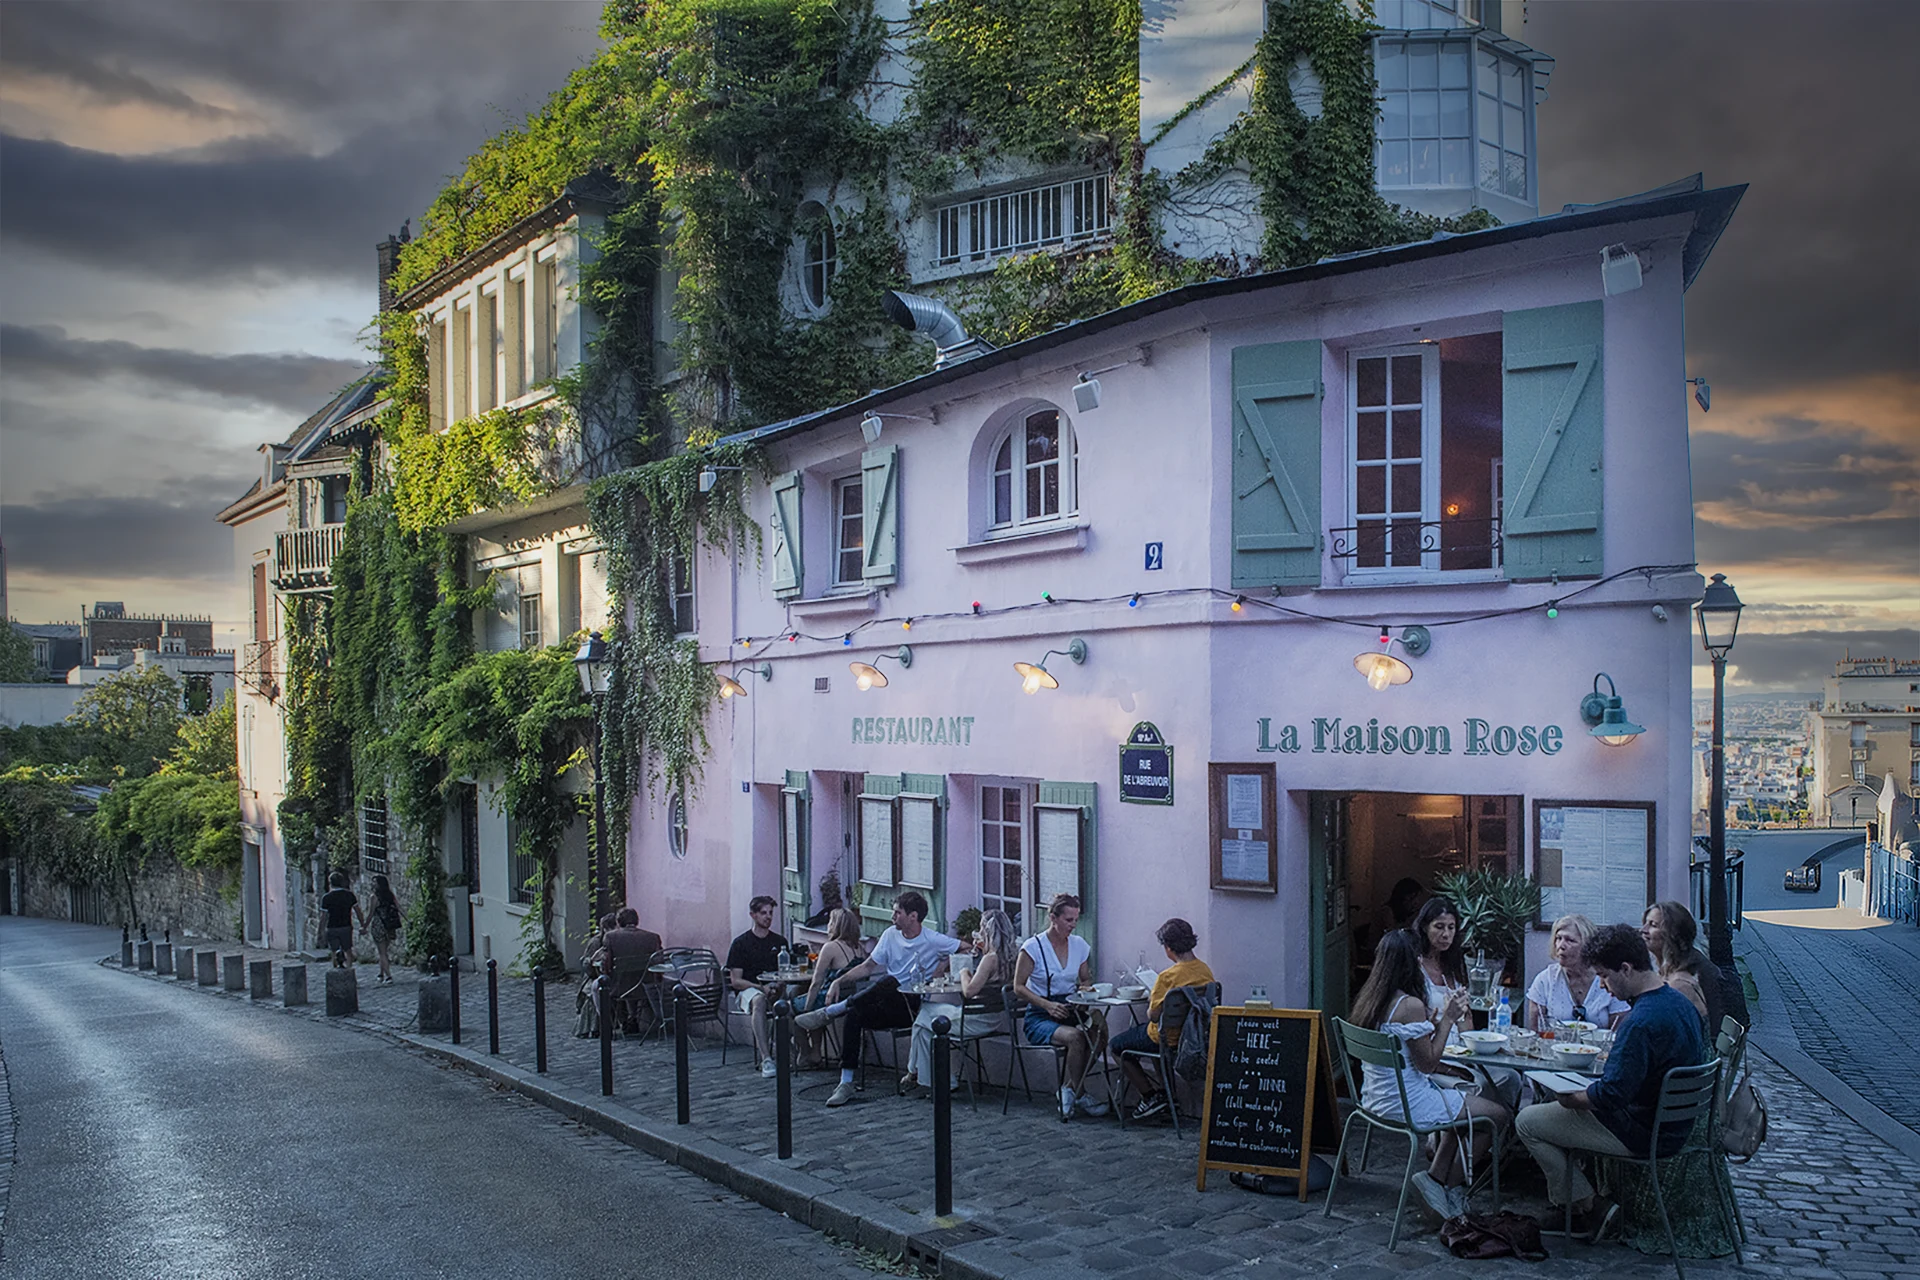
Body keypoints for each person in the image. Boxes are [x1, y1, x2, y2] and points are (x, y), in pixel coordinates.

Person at [1515, 923, 1706, 1241]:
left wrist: (1572, 1098)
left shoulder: (1640, 1022)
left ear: (1626, 969)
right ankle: (1583, 1201)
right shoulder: (1678, 1002)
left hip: (1643, 1132)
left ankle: (1586, 1207)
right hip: (1674, 1124)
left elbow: (1612, 1094)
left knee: (1527, 1122)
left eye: (1604, 976)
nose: (1602, 986)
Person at [1349, 929, 1510, 1221]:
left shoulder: (1370, 999)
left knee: (1461, 1106)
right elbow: (1428, 1064)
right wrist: (1448, 1019)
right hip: (1407, 1102)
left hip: (1374, 1098)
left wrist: (1431, 1027)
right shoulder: (1410, 1005)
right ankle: (1450, 1186)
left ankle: (1434, 1179)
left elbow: (1409, 1048)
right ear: (1412, 963)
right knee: (1496, 1117)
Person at [794, 890, 960, 1108]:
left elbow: (966, 947)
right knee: (855, 1013)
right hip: (886, 1003)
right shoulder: (890, 935)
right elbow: (867, 967)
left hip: (910, 1007)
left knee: (890, 981)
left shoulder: (932, 939)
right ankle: (845, 1082)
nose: (892, 917)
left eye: (897, 913)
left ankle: (833, 1011)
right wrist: (838, 981)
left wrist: (942, 965)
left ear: (913, 916)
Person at [1013, 893, 1110, 1120]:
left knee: (1099, 1033)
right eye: (1068, 920)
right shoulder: (1033, 947)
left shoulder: (1079, 945)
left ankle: (1069, 1089)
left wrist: (1084, 990)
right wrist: (1046, 1005)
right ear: (1053, 918)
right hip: (1040, 1015)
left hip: (1070, 1009)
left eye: (1076, 919)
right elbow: (1018, 986)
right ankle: (1081, 1093)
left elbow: (1085, 978)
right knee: (1076, 1038)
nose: (1073, 925)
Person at [901, 907, 1016, 1096]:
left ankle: (917, 1073)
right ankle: (935, 1078)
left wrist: (964, 972)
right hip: (995, 1017)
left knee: (924, 1011)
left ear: (988, 931)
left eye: (981, 928)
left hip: (975, 1021)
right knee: (923, 1029)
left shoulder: (990, 959)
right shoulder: (1012, 956)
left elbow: (969, 991)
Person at [1111, 917, 1214, 1121]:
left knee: (1116, 1046)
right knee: (1154, 1043)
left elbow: (1154, 1016)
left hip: (1166, 1038)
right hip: (1192, 1037)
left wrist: (1154, 998)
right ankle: (1169, 1096)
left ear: (1168, 948)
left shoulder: (1167, 977)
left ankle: (1150, 1096)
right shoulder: (1205, 971)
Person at [1526, 914, 1628, 1032]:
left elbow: (1619, 1031)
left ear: (1587, 946)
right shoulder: (1545, 980)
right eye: (1558, 938)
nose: (1561, 946)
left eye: (1570, 940)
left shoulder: (1608, 979)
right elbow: (1536, 1031)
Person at [725, 896, 790, 1078]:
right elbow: (736, 981)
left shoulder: (780, 942)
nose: (768, 917)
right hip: (749, 990)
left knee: (796, 997)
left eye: (770, 913)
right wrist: (761, 988)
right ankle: (766, 1058)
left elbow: (786, 972)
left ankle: (799, 1052)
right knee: (759, 1000)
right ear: (753, 915)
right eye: (763, 913)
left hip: (775, 987)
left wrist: (779, 985)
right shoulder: (741, 943)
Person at [797, 907, 864, 1067]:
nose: (828, 926)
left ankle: (806, 1052)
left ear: (835, 925)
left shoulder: (830, 947)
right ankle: (815, 1052)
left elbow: (816, 982)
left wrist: (807, 1009)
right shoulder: (860, 949)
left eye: (830, 922)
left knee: (786, 1011)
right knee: (807, 1002)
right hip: (850, 998)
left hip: (831, 998)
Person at [1641, 900, 1720, 1034]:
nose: (1643, 930)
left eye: (1653, 925)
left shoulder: (1680, 984)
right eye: (1645, 923)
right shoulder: (1669, 972)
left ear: (1673, 934)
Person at [1410, 896, 1469, 1014]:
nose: (1446, 934)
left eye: (1451, 927)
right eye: (1439, 927)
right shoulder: (1414, 963)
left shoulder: (1456, 964)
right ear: (1425, 927)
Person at [363, 873, 403, 985]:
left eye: (374, 882)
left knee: (382, 952)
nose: (372, 884)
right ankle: (381, 974)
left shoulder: (374, 897)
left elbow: (371, 914)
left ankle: (388, 976)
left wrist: (364, 926)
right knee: (384, 950)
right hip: (389, 925)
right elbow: (399, 908)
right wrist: (407, 919)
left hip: (379, 925)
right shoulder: (390, 895)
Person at [319, 870, 364, 969]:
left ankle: (335, 969)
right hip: (346, 926)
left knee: (334, 951)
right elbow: (358, 911)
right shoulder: (349, 895)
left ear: (330, 883)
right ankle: (349, 969)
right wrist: (362, 924)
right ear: (342, 882)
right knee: (348, 950)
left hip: (332, 927)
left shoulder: (326, 897)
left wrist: (321, 930)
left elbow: (323, 916)